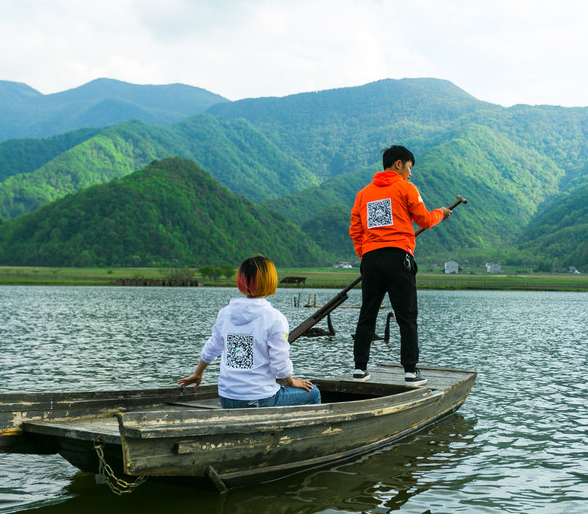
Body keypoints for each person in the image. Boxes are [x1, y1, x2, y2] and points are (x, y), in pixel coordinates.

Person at [349, 145, 452, 386]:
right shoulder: (406, 188)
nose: (410, 173)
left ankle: (359, 369)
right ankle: (411, 372)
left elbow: (356, 230)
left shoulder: (363, 194)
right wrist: (441, 213)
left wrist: (364, 256)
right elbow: (424, 219)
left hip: (371, 261)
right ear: (398, 164)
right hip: (398, 259)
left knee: (367, 315)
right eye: (409, 167)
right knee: (406, 317)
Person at [178, 255, 321, 408]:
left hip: (226, 397)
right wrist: (292, 382)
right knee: (314, 392)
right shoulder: (275, 318)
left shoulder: (225, 313)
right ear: (270, 281)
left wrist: (198, 373)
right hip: (260, 399)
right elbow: (279, 364)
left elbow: (212, 347)